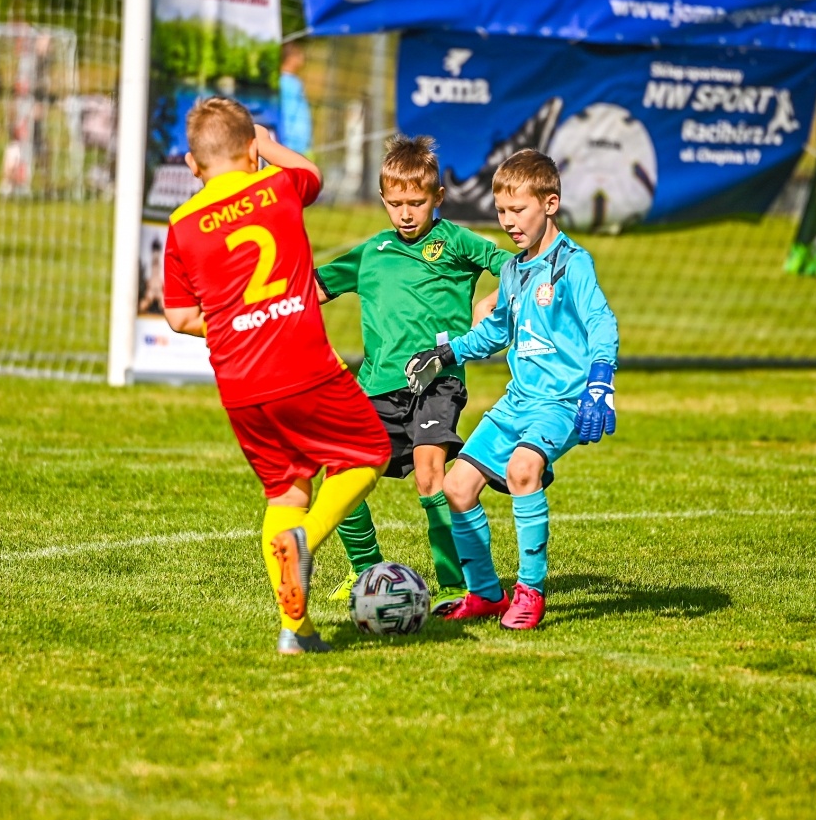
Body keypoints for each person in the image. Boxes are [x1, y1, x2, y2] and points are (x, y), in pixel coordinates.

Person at [161, 96, 390, 656]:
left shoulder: (181, 224)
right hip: (303, 363)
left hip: (240, 383)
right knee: (368, 454)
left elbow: (180, 316)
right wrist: (269, 144)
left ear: (192, 166)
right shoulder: (280, 188)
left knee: (287, 487)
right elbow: (311, 171)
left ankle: (298, 630)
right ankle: (305, 540)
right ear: (250, 149)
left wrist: (237, 324)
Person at [404, 149, 620, 631]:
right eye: (501, 212)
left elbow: (601, 322)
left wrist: (600, 379)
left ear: (550, 203)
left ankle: (531, 591)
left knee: (524, 470)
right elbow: (495, 330)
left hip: (561, 402)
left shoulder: (572, 264)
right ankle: (484, 594)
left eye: (518, 210)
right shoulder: (513, 270)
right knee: (457, 487)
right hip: (516, 402)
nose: (509, 222)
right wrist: (447, 353)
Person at [314, 135, 508, 613]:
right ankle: (365, 573)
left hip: (436, 380)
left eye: (416, 203)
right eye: (396, 203)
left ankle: (451, 583)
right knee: (341, 472)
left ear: (437, 198)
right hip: (377, 386)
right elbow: (313, 289)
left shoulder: (456, 241)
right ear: (382, 199)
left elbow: (515, 265)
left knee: (430, 474)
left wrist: (493, 300)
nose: (405, 213)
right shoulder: (372, 251)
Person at [278, 42, 312, 157]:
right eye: (299, 55)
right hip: (290, 145)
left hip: (299, 146)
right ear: (290, 58)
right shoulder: (285, 82)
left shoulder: (294, 82)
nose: (303, 58)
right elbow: (288, 112)